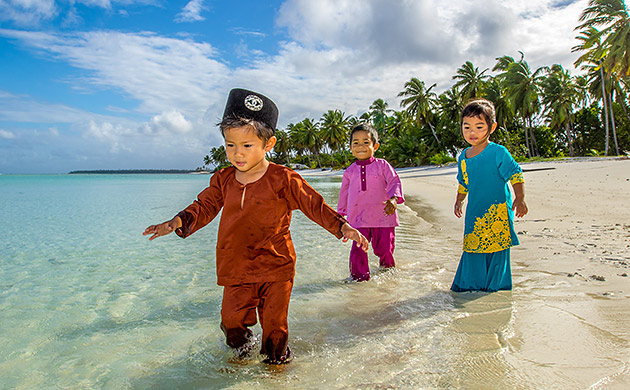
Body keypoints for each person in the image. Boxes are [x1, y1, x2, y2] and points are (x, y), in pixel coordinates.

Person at [143, 88, 369, 364]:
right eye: (230, 145)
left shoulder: (283, 179)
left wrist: (342, 227)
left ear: (268, 144)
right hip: (235, 267)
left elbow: (314, 205)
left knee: (275, 328)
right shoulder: (223, 180)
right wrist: (177, 222)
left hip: (276, 266)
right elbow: (204, 206)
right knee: (231, 322)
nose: (237, 154)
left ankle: (276, 372)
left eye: (247, 146)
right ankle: (240, 360)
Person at [451, 99, 528, 292]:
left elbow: (515, 174)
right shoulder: (463, 157)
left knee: (497, 247)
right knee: (473, 246)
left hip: (498, 211)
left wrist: (520, 198)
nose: (472, 132)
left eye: (479, 126)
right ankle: (469, 286)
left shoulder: (498, 152)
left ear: (491, 127)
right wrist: (459, 201)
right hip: (475, 211)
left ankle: (497, 287)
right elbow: (464, 182)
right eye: (466, 127)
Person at [337, 123, 404, 281]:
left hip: (383, 217)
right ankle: (358, 279)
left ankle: (388, 274)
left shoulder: (383, 165)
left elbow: (394, 181)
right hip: (359, 219)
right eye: (356, 143)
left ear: (375, 146)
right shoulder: (349, 171)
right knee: (358, 250)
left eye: (366, 142)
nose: (361, 146)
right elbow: (344, 195)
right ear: (350, 147)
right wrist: (340, 219)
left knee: (385, 250)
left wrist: (394, 200)